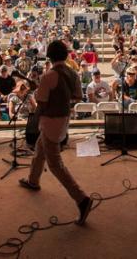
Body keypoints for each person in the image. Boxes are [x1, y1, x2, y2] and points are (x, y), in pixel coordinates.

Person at [18, 40, 93, 225]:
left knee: (55, 164)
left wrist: (36, 92)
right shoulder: (73, 73)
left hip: (50, 121)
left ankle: (82, 199)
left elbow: (42, 104)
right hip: (64, 118)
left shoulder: (49, 76)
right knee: (39, 150)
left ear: (49, 56)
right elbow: (76, 96)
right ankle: (33, 181)